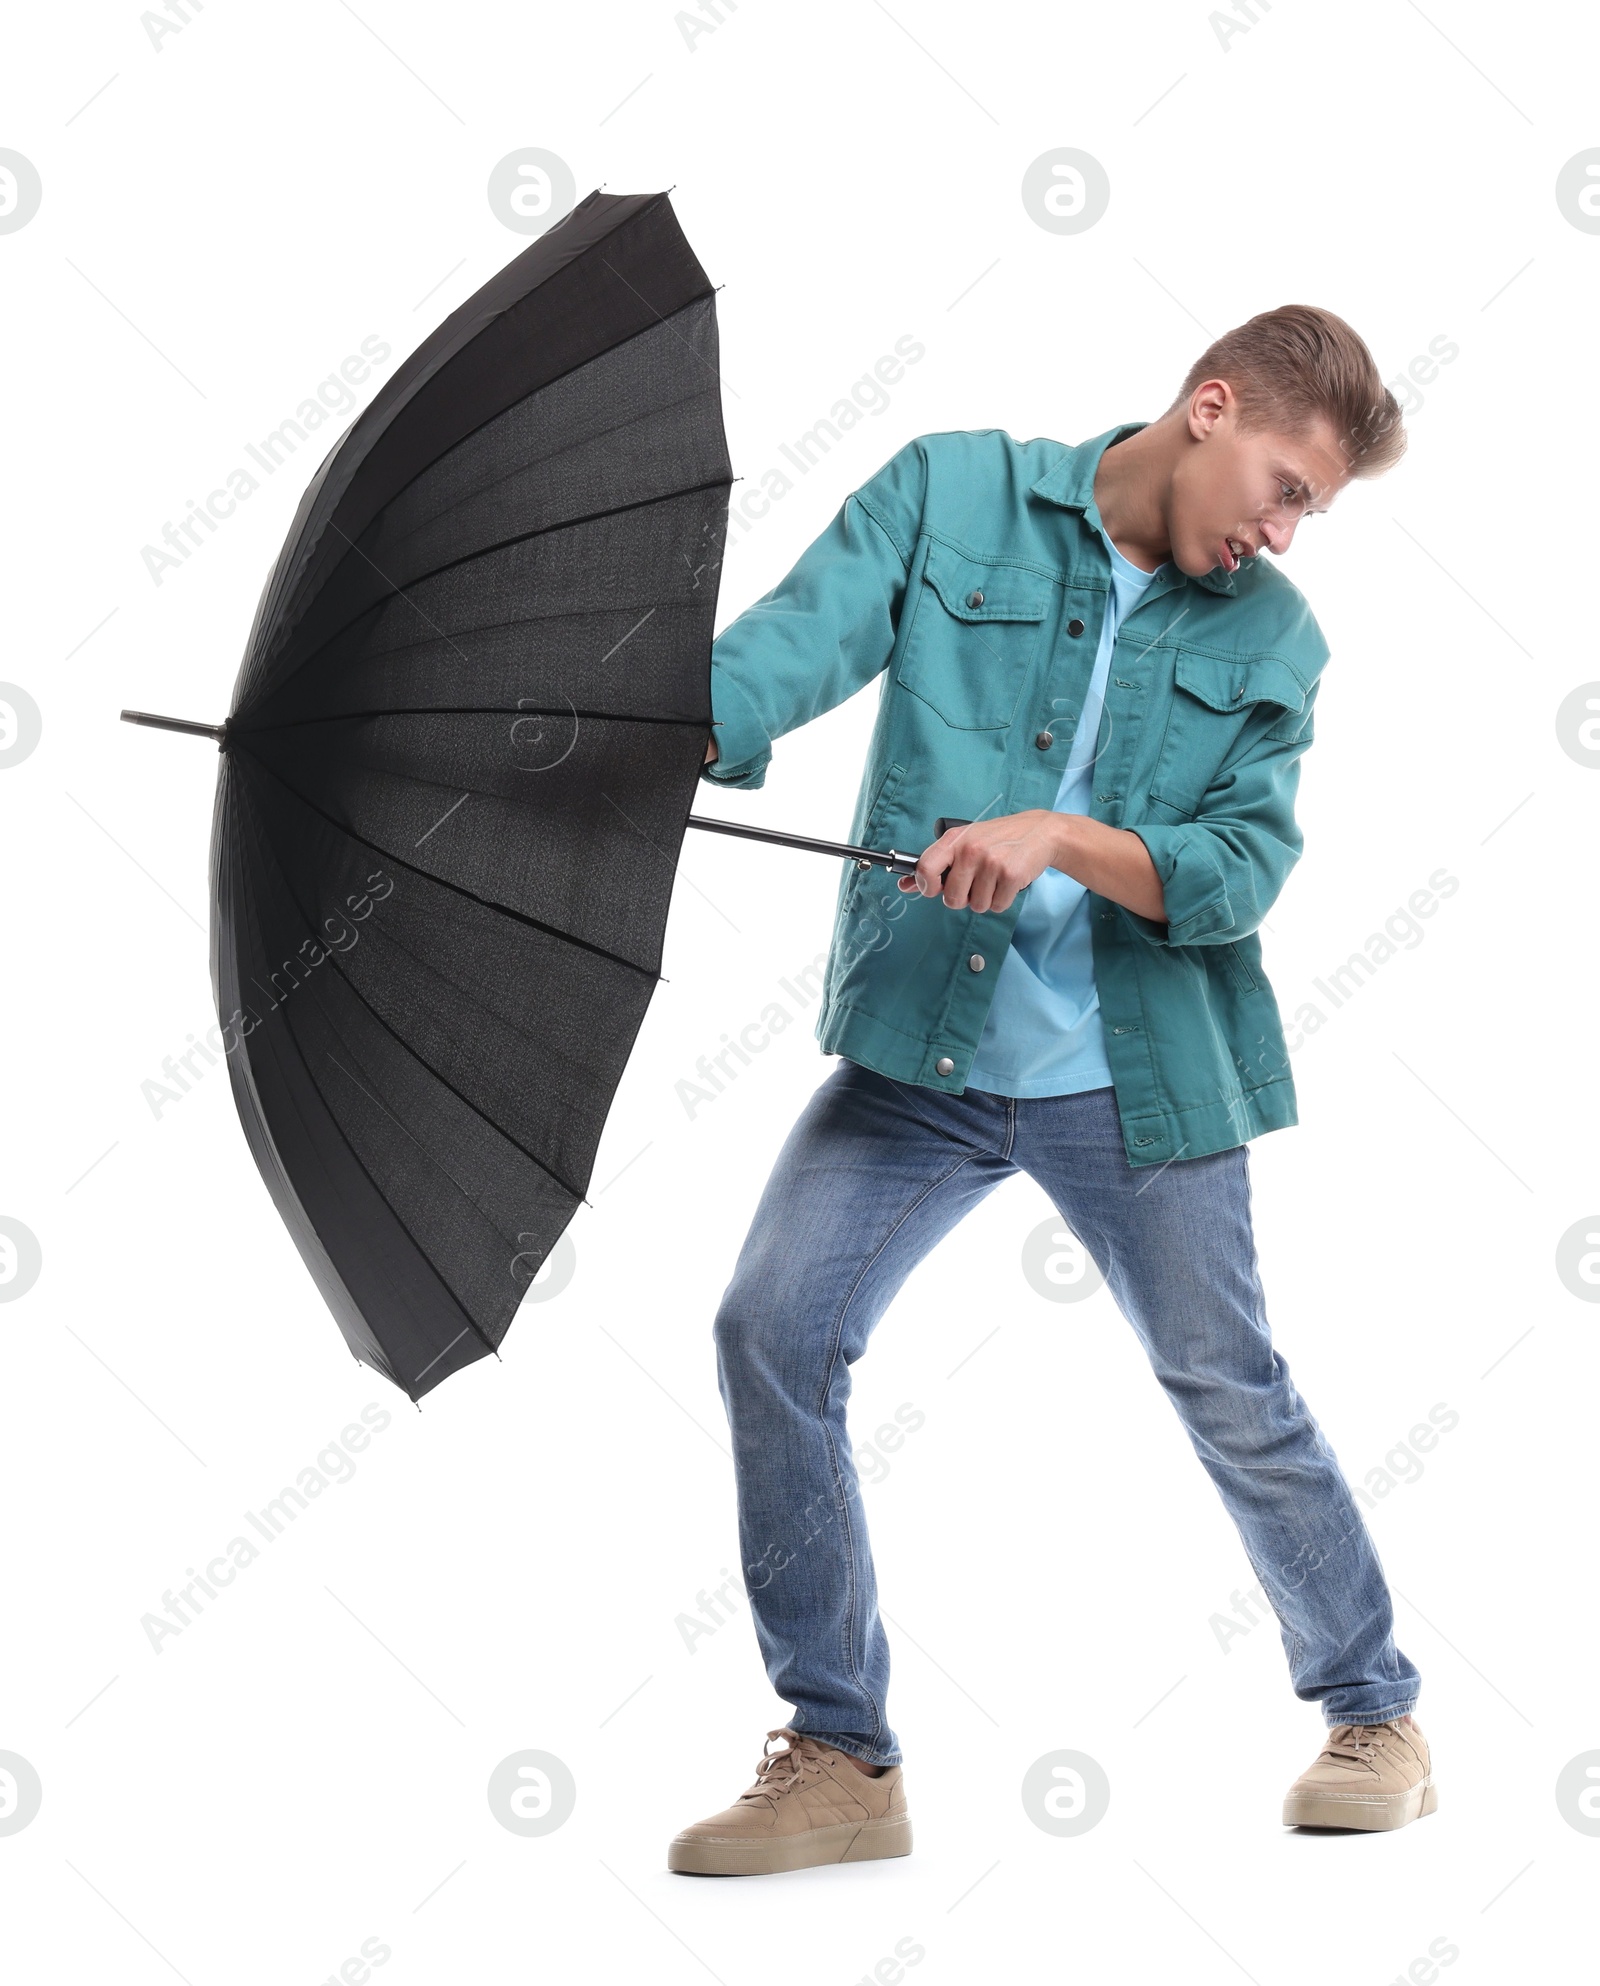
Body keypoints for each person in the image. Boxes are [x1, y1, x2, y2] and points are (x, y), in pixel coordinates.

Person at [667, 306, 1434, 1878]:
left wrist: (1062, 835)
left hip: (1137, 1075)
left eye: (1314, 515)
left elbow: (1236, 872)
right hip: (925, 1052)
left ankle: (1375, 1712)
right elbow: (775, 658)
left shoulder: (1273, 637)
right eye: (1286, 487)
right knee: (772, 1327)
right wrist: (613, 730)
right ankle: (840, 1751)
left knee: (1228, 1383)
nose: (1285, 533)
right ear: (1209, 409)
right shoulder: (952, 493)